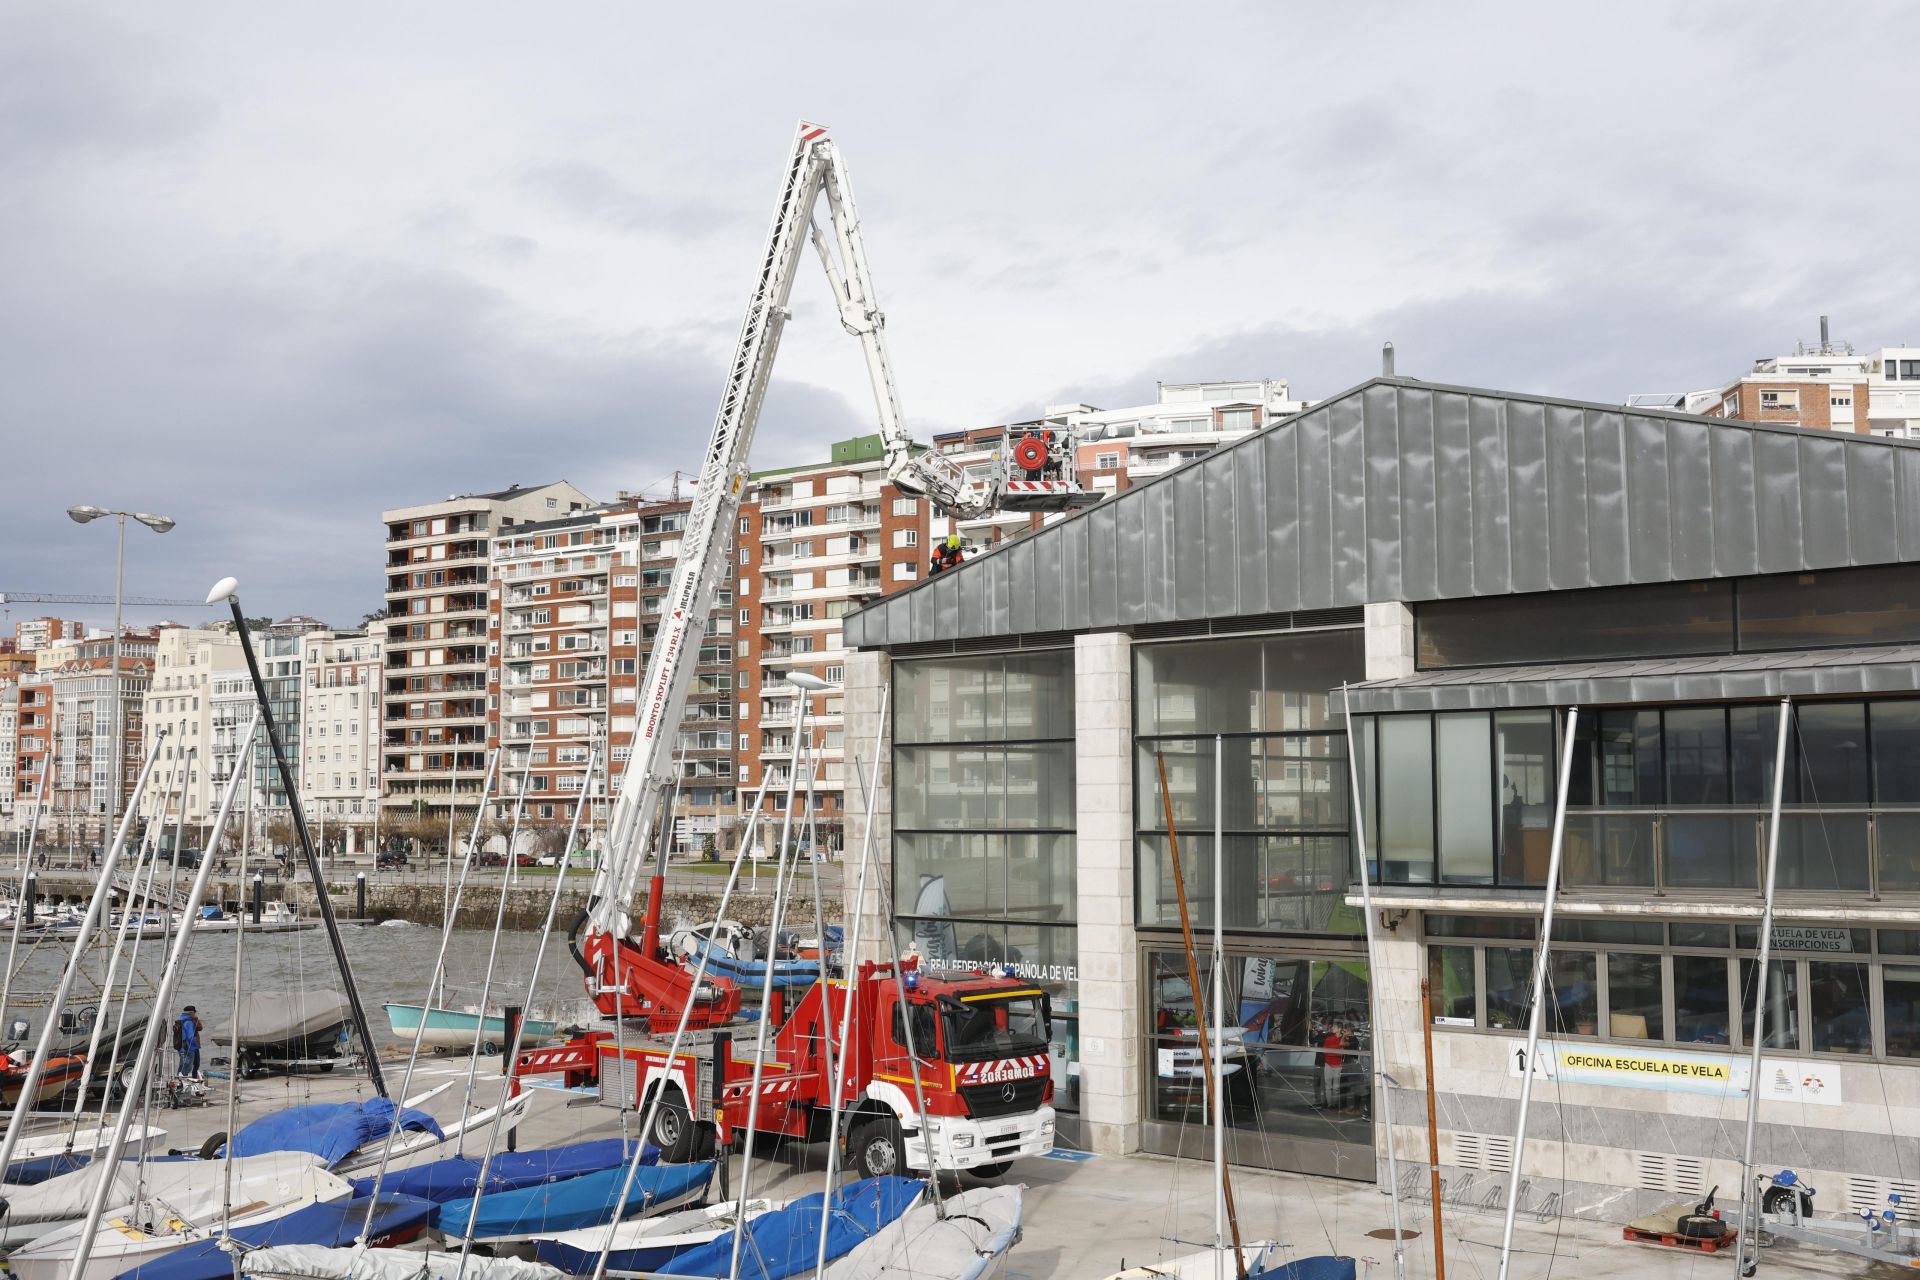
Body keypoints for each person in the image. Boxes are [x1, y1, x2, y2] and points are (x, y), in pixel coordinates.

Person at [1320, 1023, 1346, 1109]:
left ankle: (1334, 1104)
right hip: (1328, 1064)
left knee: (1336, 1087)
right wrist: (1335, 1052)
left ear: (1339, 1029)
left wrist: (1333, 1052)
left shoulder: (1343, 1039)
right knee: (1328, 1086)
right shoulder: (1329, 1038)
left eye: (1334, 1027)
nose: (1332, 1028)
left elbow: (1340, 1052)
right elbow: (1325, 1051)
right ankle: (1330, 1104)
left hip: (1337, 1065)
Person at [174, 1005, 203, 1079]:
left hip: (182, 1047)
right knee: (187, 1066)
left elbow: (200, 1028)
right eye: (194, 1012)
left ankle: (179, 1081)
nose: (195, 1014)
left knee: (183, 1065)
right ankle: (183, 1082)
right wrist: (194, 1046)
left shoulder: (181, 1020)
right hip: (189, 1048)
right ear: (191, 1013)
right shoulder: (189, 1022)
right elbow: (190, 1037)